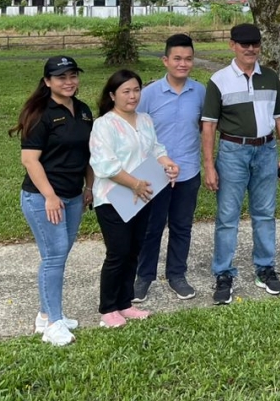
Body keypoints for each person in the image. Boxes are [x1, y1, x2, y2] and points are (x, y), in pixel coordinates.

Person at [201, 23, 280, 305]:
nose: (250, 49)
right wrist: (209, 165)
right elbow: (209, 125)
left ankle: (265, 268)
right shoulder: (219, 80)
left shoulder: (270, 77)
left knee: (265, 213)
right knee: (228, 216)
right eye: (244, 44)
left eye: (254, 44)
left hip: (266, 150)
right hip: (233, 152)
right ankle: (223, 274)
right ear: (232, 45)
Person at [11, 56, 94, 347]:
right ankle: (54, 323)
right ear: (47, 82)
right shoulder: (40, 114)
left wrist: (90, 187)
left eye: (72, 76)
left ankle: (46, 315)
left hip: (73, 196)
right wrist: (49, 196)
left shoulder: (83, 110)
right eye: (61, 77)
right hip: (43, 197)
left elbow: (88, 154)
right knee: (54, 257)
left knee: (59, 255)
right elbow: (29, 160)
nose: (69, 82)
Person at [90, 69, 180, 328]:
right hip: (113, 198)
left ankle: (125, 303)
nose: (132, 96)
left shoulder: (145, 119)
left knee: (133, 252)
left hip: (141, 197)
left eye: (136, 90)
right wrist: (135, 183)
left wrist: (167, 164)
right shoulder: (104, 124)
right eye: (126, 91)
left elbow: (155, 149)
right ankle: (108, 309)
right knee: (117, 253)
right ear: (112, 95)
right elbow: (105, 165)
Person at [132, 34, 206, 303]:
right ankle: (143, 277)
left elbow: (203, 127)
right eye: (177, 58)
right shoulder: (148, 94)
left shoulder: (200, 92)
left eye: (188, 59)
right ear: (166, 61)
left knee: (182, 226)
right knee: (152, 227)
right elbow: (137, 132)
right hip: (154, 173)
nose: (183, 64)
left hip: (188, 171)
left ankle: (176, 275)